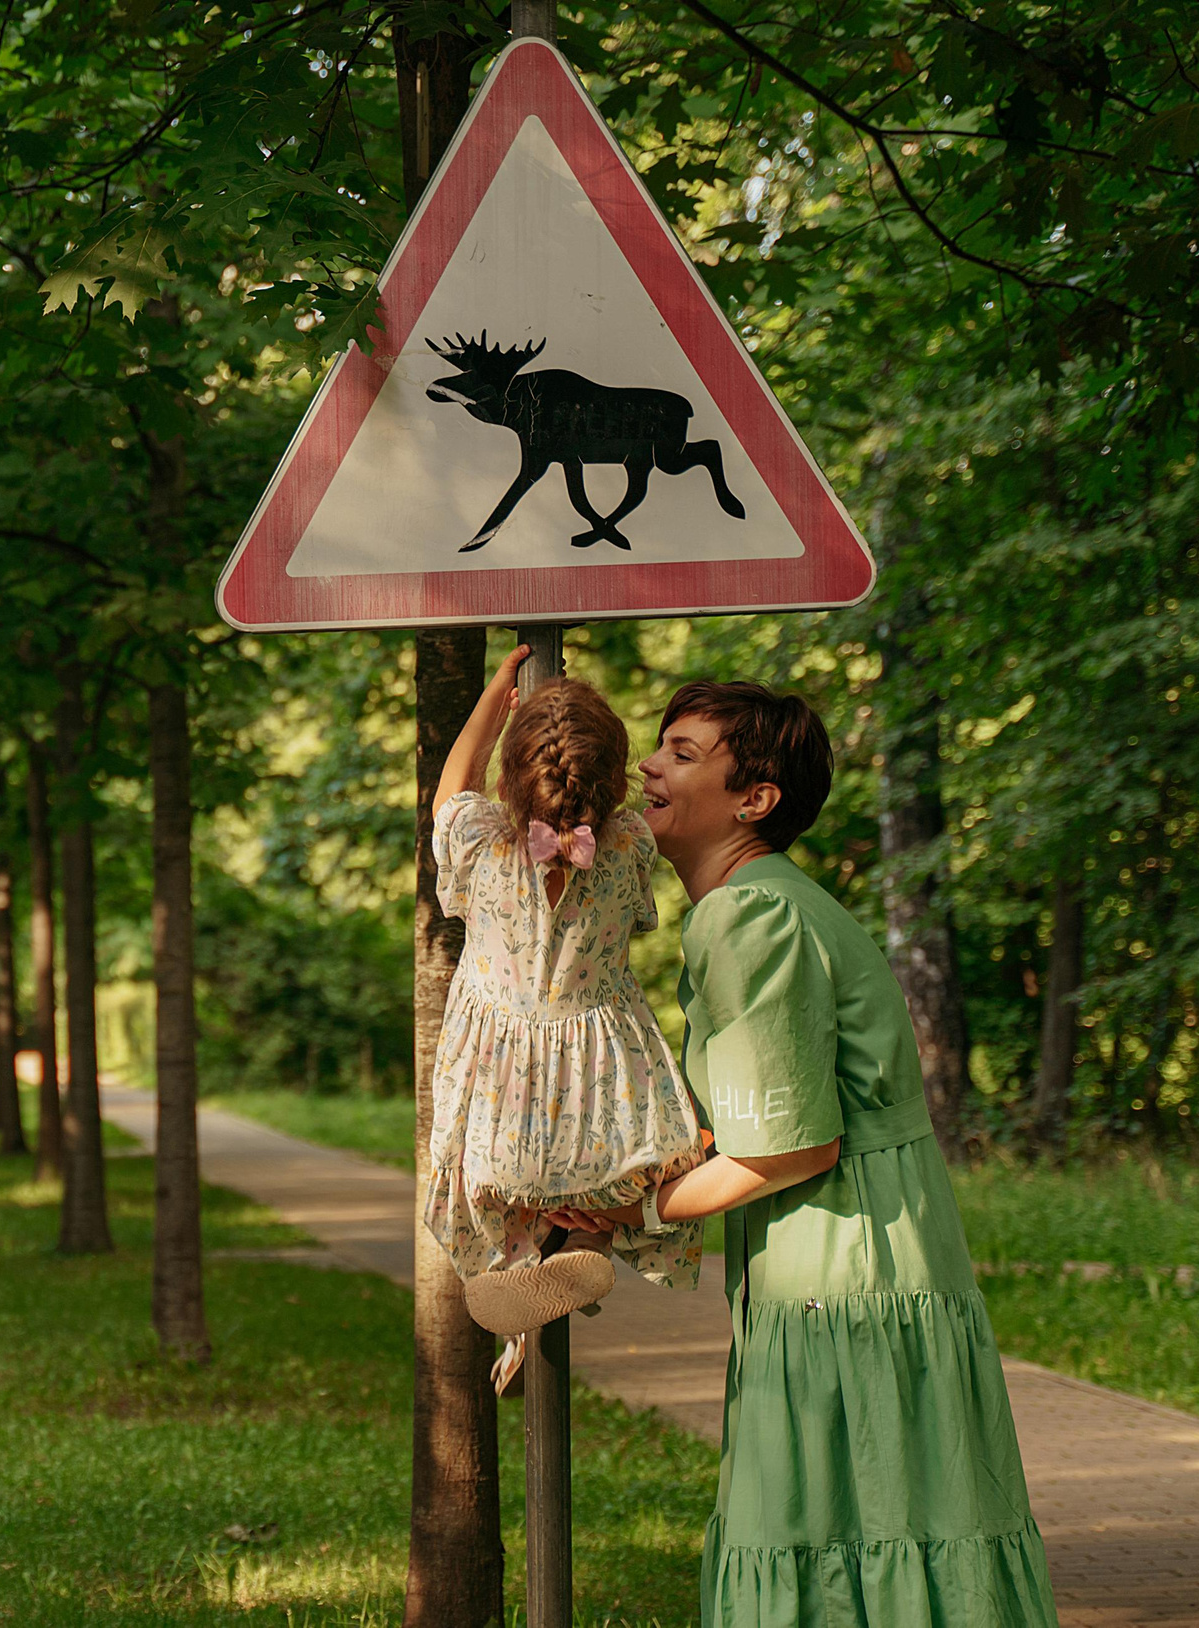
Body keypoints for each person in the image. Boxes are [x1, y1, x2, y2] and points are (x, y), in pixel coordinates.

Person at [543, 680, 1058, 1627]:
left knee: (824, 1520)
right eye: (660, 747)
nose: (649, 768)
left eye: (684, 753)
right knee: (891, 1513)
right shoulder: (772, 903)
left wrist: (638, 1214)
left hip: (842, 1265)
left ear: (756, 799)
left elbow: (790, 1149)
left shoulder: (747, 917)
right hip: (870, 1252)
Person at [422, 645, 707, 1381]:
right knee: (605, 1192)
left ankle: (510, 1258)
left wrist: (496, 698)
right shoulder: (628, 844)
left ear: (516, 779)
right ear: (613, 779)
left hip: (500, 1103)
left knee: (495, 1186)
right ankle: (588, 1248)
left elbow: (451, 790)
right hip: (602, 1101)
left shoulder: (482, 844)